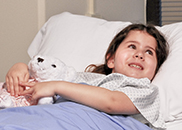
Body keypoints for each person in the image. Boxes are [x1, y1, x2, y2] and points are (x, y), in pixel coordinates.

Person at [2, 23, 169, 129]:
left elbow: (112, 102)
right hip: (39, 118)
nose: (140, 54)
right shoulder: (81, 78)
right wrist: (20, 68)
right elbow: (41, 80)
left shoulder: (145, 90)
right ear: (110, 59)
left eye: (149, 52)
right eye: (132, 46)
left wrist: (56, 86)